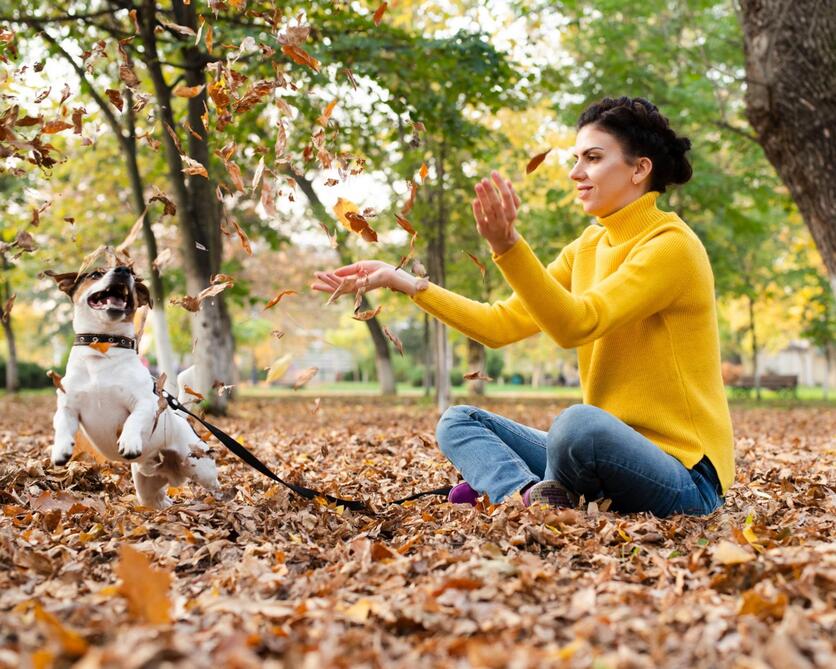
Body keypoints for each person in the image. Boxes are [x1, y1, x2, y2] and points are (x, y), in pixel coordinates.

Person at [312, 96, 733, 517]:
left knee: (577, 424)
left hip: (685, 477)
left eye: (593, 158)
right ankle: (529, 495)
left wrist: (509, 246)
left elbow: (578, 324)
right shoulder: (587, 247)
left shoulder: (671, 247)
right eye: (575, 158)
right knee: (459, 421)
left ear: (640, 169)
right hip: (604, 461)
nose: (575, 172)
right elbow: (500, 325)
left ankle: (518, 492)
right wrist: (402, 281)